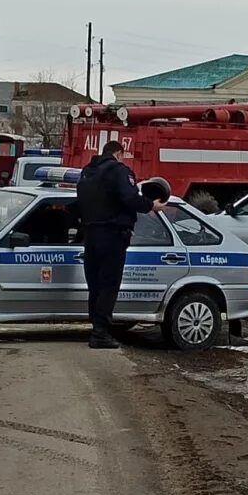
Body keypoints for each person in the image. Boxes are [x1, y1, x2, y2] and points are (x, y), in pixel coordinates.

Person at [76, 140, 166, 349]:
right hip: (112, 235)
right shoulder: (119, 171)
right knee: (109, 285)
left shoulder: (88, 172)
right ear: (118, 154)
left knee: (95, 286)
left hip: (90, 235)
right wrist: (151, 205)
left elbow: (79, 202)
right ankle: (100, 333)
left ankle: (97, 328)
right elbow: (130, 198)